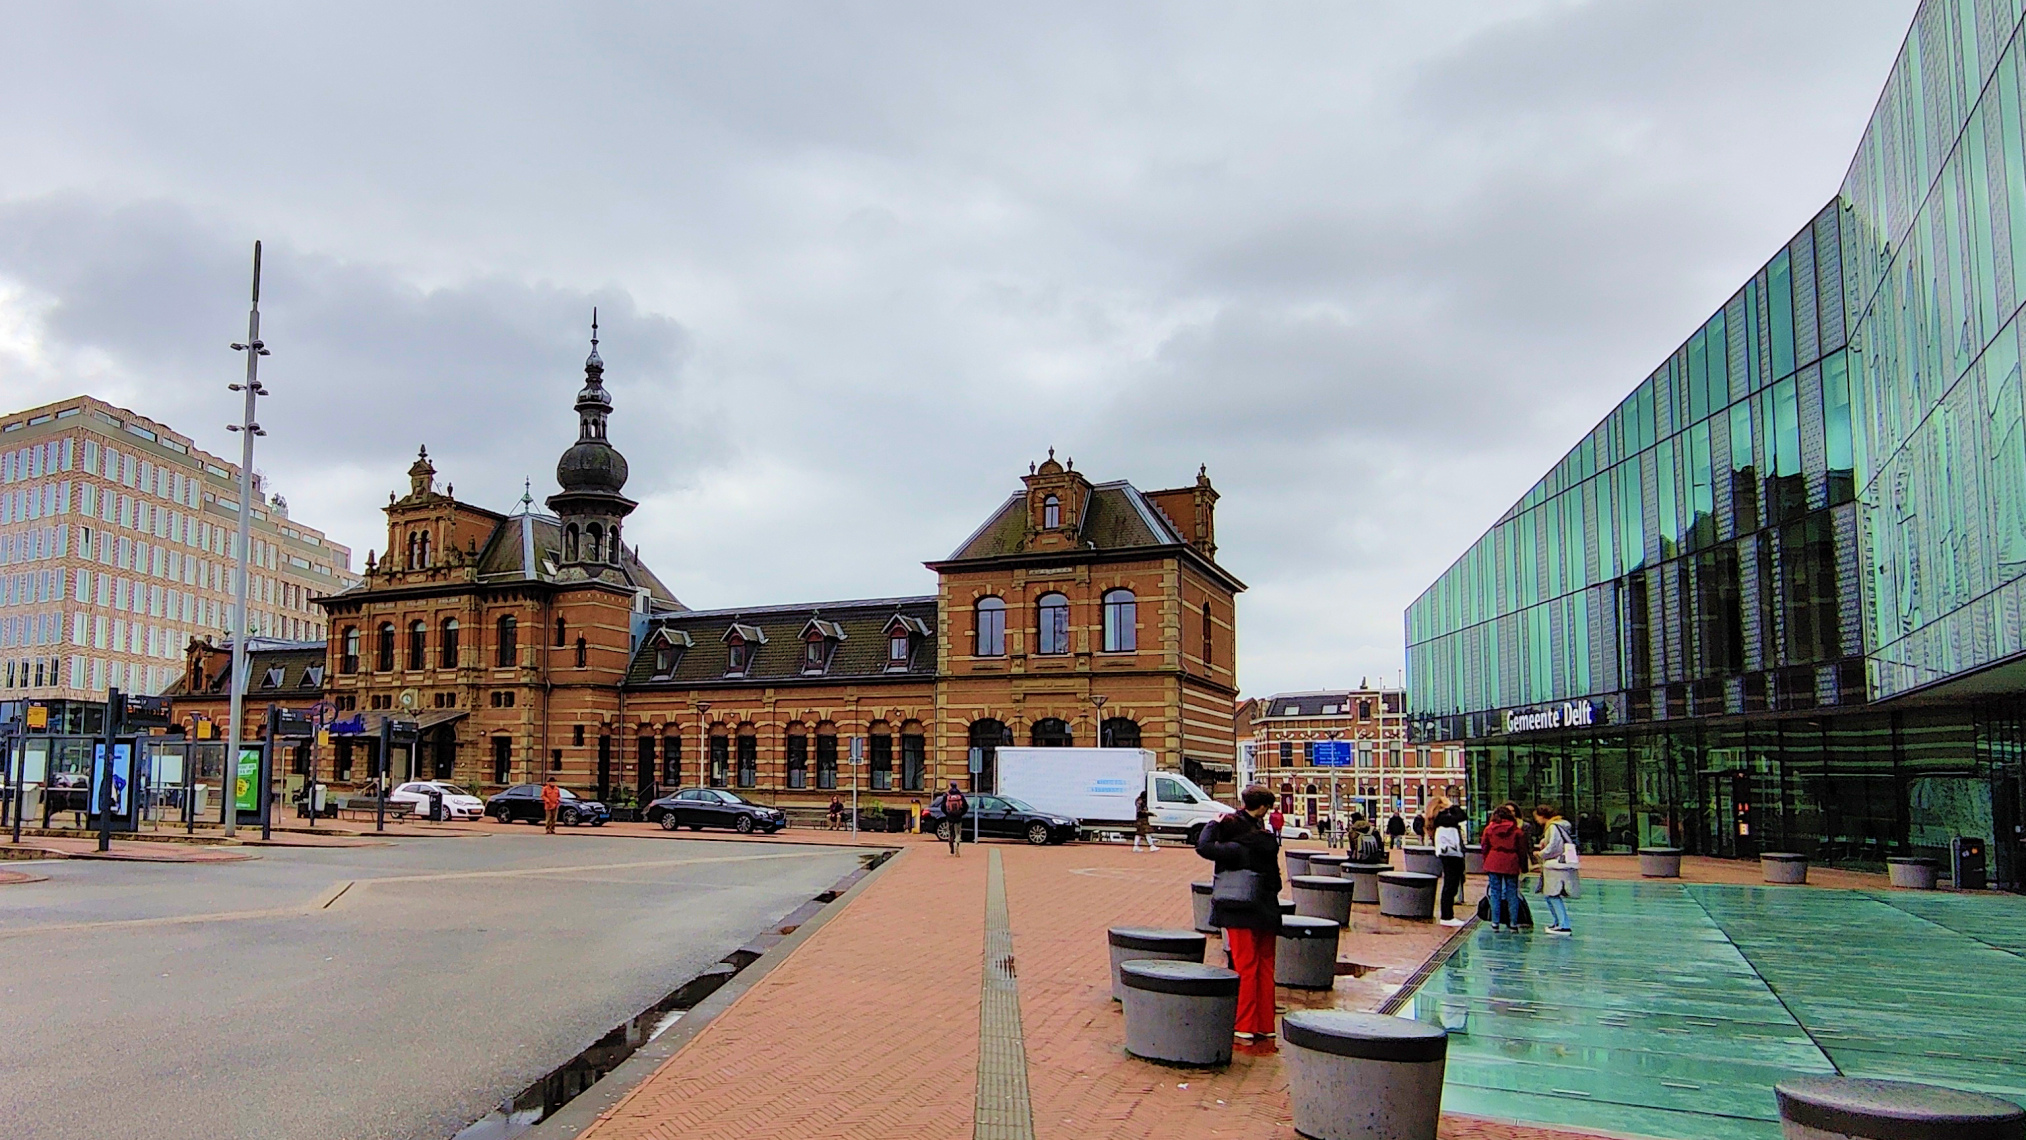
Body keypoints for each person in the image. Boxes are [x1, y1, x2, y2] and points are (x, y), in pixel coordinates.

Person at [1196, 784, 1282, 1040]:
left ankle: (1244, 1025)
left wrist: (1213, 824)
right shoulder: (1267, 841)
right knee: (1265, 966)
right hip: (1268, 910)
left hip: (1240, 909)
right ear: (1262, 809)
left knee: (1245, 965)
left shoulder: (1235, 849)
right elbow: (1276, 882)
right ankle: (1265, 1024)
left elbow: (1203, 847)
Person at [1534, 804, 1580, 935]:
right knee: (1550, 894)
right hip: (1562, 865)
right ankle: (1558, 922)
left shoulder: (1553, 827)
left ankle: (1563, 924)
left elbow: (1554, 846)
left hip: (1556, 865)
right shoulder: (1561, 825)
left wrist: (1541, 853)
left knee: (1552, 894)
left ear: (1542, 816)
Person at [1480, 803, 1526, 931]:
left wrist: (1486, 861)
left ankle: (1495, 922)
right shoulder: (1517, 831)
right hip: (1511, 862)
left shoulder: (1489, 829)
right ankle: (1513, 923)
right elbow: (1522, 850)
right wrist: (1523, 866)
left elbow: (1484, 846)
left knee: (1495, 893)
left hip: (1493, 861)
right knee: (1512, 893)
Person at [1432, 798, 1469, 926]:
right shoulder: (1443, 818)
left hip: (1451, 853)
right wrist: (1453, 806)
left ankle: (1447, 915)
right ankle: (1447, 916)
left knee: (1451, 883)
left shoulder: (1442, 818)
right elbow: (1462, 816)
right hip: (1450, 853)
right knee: (1450, 884)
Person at [939, 782, 968, 855]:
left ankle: (951, 848)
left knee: (950, 833)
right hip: (958, 817)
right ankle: (956, 844)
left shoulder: (947, 795)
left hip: (950, 818)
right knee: (958, 833)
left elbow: (942, 807)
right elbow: (966, 806)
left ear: (950, 786)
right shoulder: (960, 796)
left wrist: (947, 813)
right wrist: (961, 813)